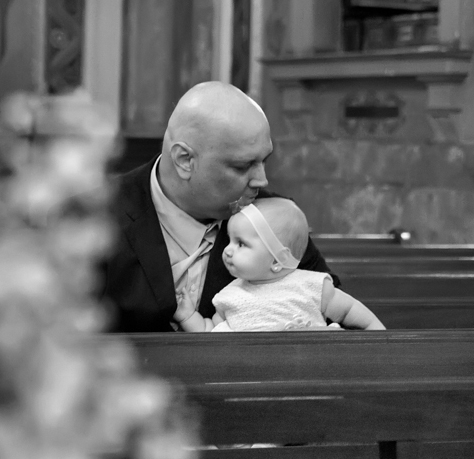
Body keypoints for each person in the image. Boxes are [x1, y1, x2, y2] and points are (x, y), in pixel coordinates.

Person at [101, 81, 338, 332]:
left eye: (264, 160)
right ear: (184, 160)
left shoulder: (273, 218)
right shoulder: (96, 214)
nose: (262, 180)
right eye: (242, 166)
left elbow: (335, 316)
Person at [174, 198, 385, 331]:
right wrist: (187, 316)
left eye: (241, 244)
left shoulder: (312, 286)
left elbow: (350, 311)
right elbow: (209, 332)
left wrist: (379, 337)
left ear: (277, 260)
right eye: (229, 240)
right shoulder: (229, 296)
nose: (227, 250)